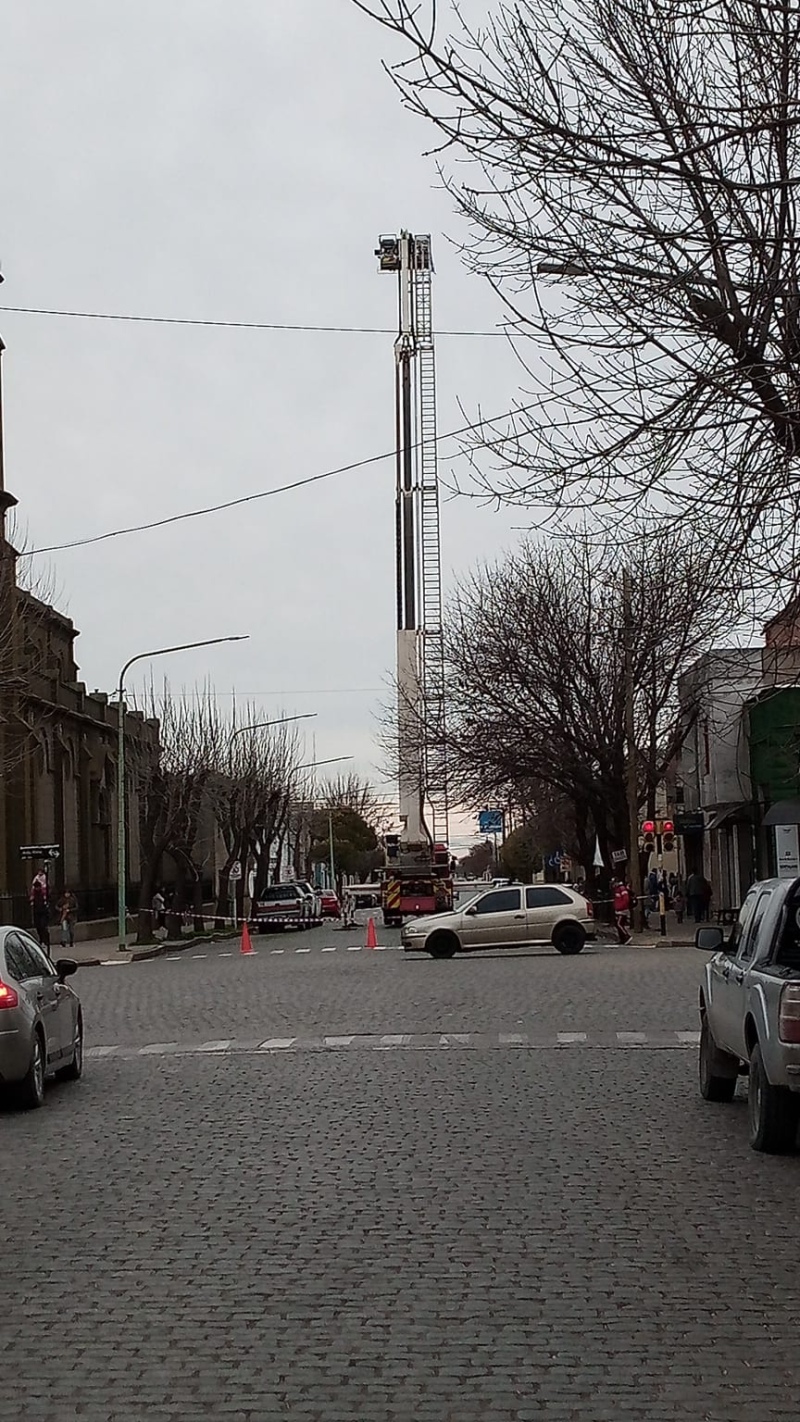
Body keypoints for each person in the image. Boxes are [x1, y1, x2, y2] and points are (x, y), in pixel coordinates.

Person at [30, 870, 51, 950]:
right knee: (38, 927)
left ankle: (45, 940)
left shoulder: (43, 893)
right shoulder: (34, 894)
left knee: (43, 926)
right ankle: (41, 940)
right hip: (37, 912)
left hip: (43, 912)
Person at [613, 880, 632, 944]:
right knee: (619, 924)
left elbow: (626, 899)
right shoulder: (617, 889)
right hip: (619, 910)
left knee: (619, 924)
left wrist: (621, 907)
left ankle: (627, 936)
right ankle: (622, 939)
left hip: (622, 910)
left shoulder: (622, 889)